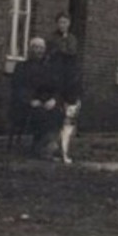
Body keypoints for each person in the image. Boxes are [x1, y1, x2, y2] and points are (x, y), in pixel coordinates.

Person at [11, 36, 66, 158]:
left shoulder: (48, 68)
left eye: (41, 48)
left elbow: (55, 88)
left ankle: (49, 145)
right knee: (40, 113)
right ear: (30, 49)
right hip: (26, 105)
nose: (38, 51)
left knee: (57, 112)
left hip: (44, 102)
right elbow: (18, 88)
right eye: (35, 47)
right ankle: (42, 148)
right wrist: (30, 101)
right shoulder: (21, 67)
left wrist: (53, 100)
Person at [49, 12, 83, 164]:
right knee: (55, 114)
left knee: (69, 117)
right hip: (56, 78)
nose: (62, 25)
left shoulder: (72, 39)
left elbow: (71, 54)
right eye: (60, 22)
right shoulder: (52, 38)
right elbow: (52, 54)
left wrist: (62, 52)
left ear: (68, 24)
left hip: (68, 79)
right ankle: (53, 148)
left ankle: (65, 150)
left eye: (65, 22)